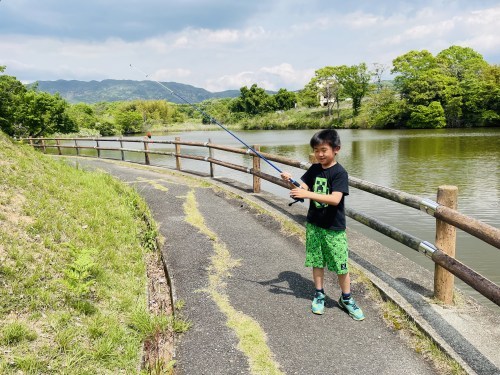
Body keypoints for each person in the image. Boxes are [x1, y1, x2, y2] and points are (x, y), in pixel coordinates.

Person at [281, 129, 364, 320]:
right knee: (317, 261)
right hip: (314, 225)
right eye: (316, 150)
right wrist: (289, 181)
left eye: (324, 150)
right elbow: (301, 188)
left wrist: (306, 194)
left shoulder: (339, 173)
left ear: (336, 149)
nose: (319, 154)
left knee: (341, 265)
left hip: (334, 228)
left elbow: (335, 199)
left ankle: (346, 298)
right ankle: (319, 294)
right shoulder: (314, 169)